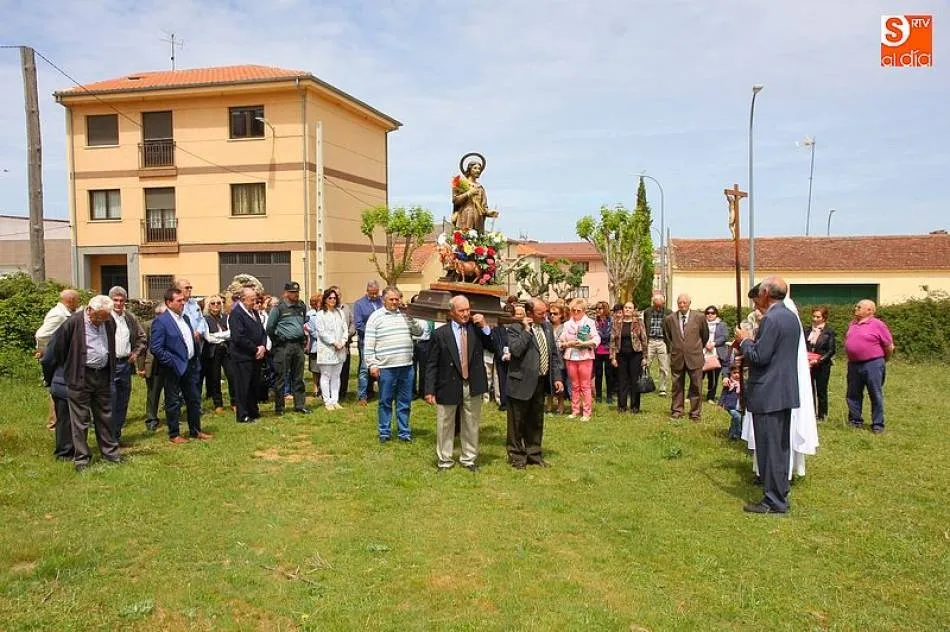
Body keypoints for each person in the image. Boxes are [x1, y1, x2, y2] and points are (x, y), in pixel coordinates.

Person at [734, 277, 801, 514]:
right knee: (779, 448)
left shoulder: (771, 319)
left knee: (770, 449)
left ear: (765, 293)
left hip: (768, 391)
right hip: (783, 391)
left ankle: (774, 500)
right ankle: (779, 493)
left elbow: (760, 356)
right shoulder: (790, 317)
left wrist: (744, 341)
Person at [51, 295, 122, 472]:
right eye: (98, 318)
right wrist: (71, 369)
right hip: (80, 376)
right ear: (89, 310)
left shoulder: (109, 321)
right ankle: (82, 459)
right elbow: (59, 350)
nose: (101, 322)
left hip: (103, 375)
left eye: (104, 318)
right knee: (80, 420)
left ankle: (110, 454)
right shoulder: (72, 323)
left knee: (105, 416)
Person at [424, 295, 494, 472]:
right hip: (448, 383)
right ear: (452, 312)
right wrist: (429, 390)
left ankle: (468, 458)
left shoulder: (476, 330)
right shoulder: (440, 334)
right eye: (461, 310)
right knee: (445, 423)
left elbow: (493, 346)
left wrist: (485, 326)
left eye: (468, 310)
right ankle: (445, 460)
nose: (466, 314)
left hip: (473, 383)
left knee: (471, 423)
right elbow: (431, 364)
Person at [505, 299, 565, 469]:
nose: (545, 316)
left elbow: (553, 354)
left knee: (536, 421)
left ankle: (534, 454)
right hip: (521, 383)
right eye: (541, 313)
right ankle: (516, 456)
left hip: (540, 382)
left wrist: (557, 378)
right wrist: (526, 330)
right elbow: (516, 351)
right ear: (529, 313)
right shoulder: (515, 328)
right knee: (517, 423)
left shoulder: (547, 327)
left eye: (546, 312)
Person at [150, 287, 211, 444]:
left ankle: (195, 430)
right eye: (179, 301)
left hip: (190, 366)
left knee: (194, 399)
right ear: (169, 302)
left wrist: (194, 359)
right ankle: (174, 433)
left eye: (183, 300)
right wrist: (172, 362)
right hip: (173, 368)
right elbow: (156, 348)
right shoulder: (161, 322)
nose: (183, 303)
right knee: (173, 401)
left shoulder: (186, 319)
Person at [363, 287, 423, 442]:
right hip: (386, 367)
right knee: (385, 401)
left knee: (405, 402)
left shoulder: (405, 315)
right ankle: (384, 432)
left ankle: (404, 433)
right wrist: (372, 364)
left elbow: (419, 332)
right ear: (384, 300)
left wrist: (410, 318)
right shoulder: (376, 317)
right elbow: (369, 343)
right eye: (392, 299)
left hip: (406, 366)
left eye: (397, 299)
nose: (395, 302)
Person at [844, 299, 895, 434]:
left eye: (859, 307)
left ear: (869, 310)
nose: (856, 309)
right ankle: (855, 420)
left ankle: (877, 424)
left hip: (873, 364)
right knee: (853, 393)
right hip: (854, 364)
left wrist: (883, 360)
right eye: (856, 306)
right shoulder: (853, 324)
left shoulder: (878, 325)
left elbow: (889, 346)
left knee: (875, 393)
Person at [35, 288, 81, 429]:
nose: (78, 303)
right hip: (56, 357)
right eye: (77, 300)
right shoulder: (59, 315)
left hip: (62, 355)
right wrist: (44, 350)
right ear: (70, 300)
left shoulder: (66, 313)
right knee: (56, 389)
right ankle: (54, 423)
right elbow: (41, 335)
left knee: (61, 389)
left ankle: (62, 421)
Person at [108, 286, 146, 442]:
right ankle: (108, 438)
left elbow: (142, 337)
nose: (118, 303)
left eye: (121, 300)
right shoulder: (105, 317)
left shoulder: (130, 318)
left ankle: (116, 435)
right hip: (109, 365)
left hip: (125, 364)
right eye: (115, 300)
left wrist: (136, 353)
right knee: (110, 401)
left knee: (123, 401)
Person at [663, 294, 709, 421]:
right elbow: (668, 336)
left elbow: (705, 335)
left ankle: (695, 413)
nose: (682, 305)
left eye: (684, 302)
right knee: (677, 385)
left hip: (694, 356)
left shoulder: (699, 317)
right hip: (677, 357)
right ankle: (677, 410)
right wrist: (675, 348)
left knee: (696, 386)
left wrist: (696, 348)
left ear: (689, 303)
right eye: (680, 303)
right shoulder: (670, 319)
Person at [266, 281, 310, 415]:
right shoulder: (278, 308)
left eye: (297, 292)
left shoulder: (301, 306)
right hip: (283, 346)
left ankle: (300, 405)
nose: (296, 294)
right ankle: (280, 407)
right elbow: (270, 328)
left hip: (298, 345)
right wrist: (278, 340)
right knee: (281, 377)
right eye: (292, 292)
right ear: (286, 293)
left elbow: (303, 322)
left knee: (298, 377)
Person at [229, 287, 268, 423]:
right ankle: (243, 414)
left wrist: (263, 346)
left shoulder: (254, 312)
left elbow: (262, 331)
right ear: (243, 299)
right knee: (243, 386)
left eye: (255, 299)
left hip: (256, 356)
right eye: (252, 300)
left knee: (253, 385)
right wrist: (255, 349)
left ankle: (253, 411)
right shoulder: (236, 314)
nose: (255, 302)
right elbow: (238, 337)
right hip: (242, 356)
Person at [559, 298, 600, 421]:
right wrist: (568, 344)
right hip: (571, 357)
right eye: (573, 310)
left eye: (578, 310)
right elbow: (561, 341)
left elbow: (596, 339)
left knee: (585, 385)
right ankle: (575, 410)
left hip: (585, 357)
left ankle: (586, 412)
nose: (576, 312)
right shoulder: (567, 324)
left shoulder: (589, 323)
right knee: (575, 385)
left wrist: (584, 343)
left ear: (584, 311)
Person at [40, 328, 75, 461]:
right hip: (63, 382)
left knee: (77, 419)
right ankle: (64, 453)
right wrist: (50, 378)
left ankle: (75, 449)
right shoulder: (62, 334)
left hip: (81, 383)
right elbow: (47, 360)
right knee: (65, 418)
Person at [312, 288, 349, 410]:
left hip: (340, 348)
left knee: (336, 375)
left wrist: (343, 341)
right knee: (326, 375)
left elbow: (345, 329)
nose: (333, 300)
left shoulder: (340, 313)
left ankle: (335, 400)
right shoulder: (320, 314)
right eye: (330, 298)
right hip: (327, 349)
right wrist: (334, 342)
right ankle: (327, 401)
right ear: (325, 300)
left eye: (334, 298)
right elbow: (321, 332)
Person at [609, 302, 649, 414]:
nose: (627, 309)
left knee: (634, 380)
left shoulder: (638, 322)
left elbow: (644, 339)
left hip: (635, 355)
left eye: (630, 308)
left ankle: (635, 406)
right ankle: (622, 406)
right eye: (626, 307)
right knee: (622, 380)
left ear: (633, 310)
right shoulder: (617, 323)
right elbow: (612, 341)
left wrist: (645, 357)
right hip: (621, 355)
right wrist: (613, 357)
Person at [202, 294, 234, 413]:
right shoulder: (204, 319)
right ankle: (218, 404)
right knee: (215, 378)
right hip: (213, 351)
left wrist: (216, 335)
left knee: (232, 376)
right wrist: (223, 336)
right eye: (213, 303)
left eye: (218, 303)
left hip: (227, 350)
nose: (216, 305)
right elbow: (208, 338)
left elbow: (231, 333)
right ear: (208, 306)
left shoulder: (226, 317)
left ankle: (234, 402)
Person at [451, 153, 498, 234]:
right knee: (465, 238)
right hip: (465, 216)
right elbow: (455, 200)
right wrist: (469, 193)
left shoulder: (480, 188)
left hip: (478, 219)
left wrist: (489, 212)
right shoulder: (461, 184)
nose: (478, 170)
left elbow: (484, 207)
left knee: (477, 239)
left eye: (479, 169)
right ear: (469, 169)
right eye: (475, 168)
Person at [353, 280, 383, 405]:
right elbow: (358, 324)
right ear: (367, 291)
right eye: (372, 293)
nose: (374, 295)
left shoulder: (382, 302)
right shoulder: (359, 304)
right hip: (366, 341)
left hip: (381, 341)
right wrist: (372, 333)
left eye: (376, 293)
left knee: (382, 368)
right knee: (365, 369)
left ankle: (383, 394)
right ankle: (362, 396)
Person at [804, 306, 836, 421]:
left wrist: (819, 360)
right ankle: (810, 413)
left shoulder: (829, 332)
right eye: (813, 316)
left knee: (821, 390)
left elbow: (831, 350)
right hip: (808, 364)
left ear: (824, 318)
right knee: (809, 389)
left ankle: (822, 414)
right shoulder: (807, 331)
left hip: (822, 365)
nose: (815, 319)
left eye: (818, 317)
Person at [141, 304, 166, 432]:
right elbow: (142, 347)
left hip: (169, 362)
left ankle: (172, 416)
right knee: (153, 392)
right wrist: (141, 366)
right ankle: (151, 419)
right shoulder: (147, 325)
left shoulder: (173, 325)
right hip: (154, 364)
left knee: (171, 392)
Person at [642, 293, 672, 396]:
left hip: (662, 341)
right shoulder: (647, 312)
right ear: (653, 303)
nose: (658, 308)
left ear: (664, 303)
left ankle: (662, 388)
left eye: (660, 305)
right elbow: (644, 326)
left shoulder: (669, 313)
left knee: (664, 366)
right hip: (650, 341)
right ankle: (644, 384)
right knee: (646, 364)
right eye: (656, 305)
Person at [702, 305, 730, 403]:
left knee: (713, 377)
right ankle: (692, 395)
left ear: (716, 314)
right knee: (698, 376)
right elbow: (697, 335)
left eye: (712, 313)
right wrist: (705, 343)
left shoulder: (722, 325)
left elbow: (725, 337)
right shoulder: (702, 324)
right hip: (703, 352)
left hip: (716, 353)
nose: (710, 315)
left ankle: (710, 397)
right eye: (708, 313)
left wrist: (714, 343)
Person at [545, 302, 568, 415]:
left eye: (555, 313)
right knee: (548, 381)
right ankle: (549, 403)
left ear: (561, 315)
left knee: (561, 380)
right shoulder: (546, 326)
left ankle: (560, 404)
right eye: (551, 313)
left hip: (561, 357)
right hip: (548, 357)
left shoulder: (565, 327)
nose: (552, 315)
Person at [593, 301, 614, 405]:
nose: (597, 310)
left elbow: (610, 335)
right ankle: (598, 396)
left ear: (605, 309)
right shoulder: (594, 322)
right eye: (596, 308)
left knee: (609, 374)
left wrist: (601, 336)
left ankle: (609, 396)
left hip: (608, 350)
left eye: (600, 308)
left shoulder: (611, 322)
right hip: (597, 351)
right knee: (598, 374)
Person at [304, 292, 323, 400]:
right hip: (315, 345)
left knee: (323, 369)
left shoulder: (324, 313)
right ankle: (315, 388)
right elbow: (312, 331)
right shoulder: (310, 315)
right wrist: (324, 337)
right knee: (315, 369)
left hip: (324, 346)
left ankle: (322, 389)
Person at [719, 364, 743, 441]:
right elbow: (724, 393)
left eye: (739, 373)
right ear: (731, 373)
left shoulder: (744, 384)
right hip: (731, 405)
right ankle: (739, 433)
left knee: (735, 420)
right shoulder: (729, 383)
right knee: (737, 417)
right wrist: (721, 403)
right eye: (734, 373)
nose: (737, 375)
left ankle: (732, 435)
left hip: (740, 406)